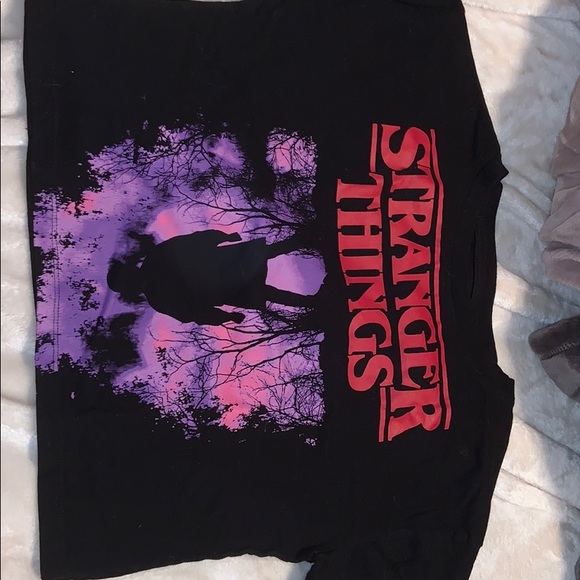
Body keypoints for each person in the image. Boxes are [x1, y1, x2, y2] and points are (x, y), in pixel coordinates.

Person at [107, 229, 316, 326]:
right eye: (126, 283)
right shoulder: (159, 300)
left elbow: (189, 242)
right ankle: (312, 302)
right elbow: (196, 313)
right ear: (128, 289)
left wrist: (221, 237)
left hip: (223, 263)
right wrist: (226, 318)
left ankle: (307, 238)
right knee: (267, 293)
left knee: (266, 254)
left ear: (130, 269)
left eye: (127, 275)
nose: (130, 279)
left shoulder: (156, 258)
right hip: (225, 290)